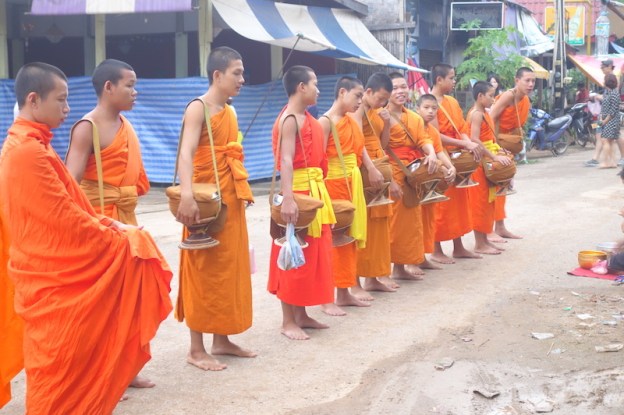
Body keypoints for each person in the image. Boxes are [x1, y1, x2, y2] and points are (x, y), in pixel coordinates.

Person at [0, 62, 172, 413]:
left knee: (68, 360)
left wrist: (112, 227)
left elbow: (70, 206)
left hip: (49, 270)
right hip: (51, 279)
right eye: (61, 101)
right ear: (34, 100)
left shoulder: (32, 144)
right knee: (59, 364)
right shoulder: (27, 151)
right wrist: (119, 238)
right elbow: (64, 220)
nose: (67, 108)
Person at [175, 47, 256, 370]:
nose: (242, 79)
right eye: (236, 72)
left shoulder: (230, 111)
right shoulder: (199, 108)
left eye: (242, 72)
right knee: (202, 269)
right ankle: (196, 349)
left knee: (229, 268)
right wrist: (186, 195)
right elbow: (186, 153)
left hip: (229, 200)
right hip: (203, 202)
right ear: (217, 75)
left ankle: (221, 339)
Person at [267, 65, 336, 339]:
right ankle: (287, 321)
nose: (318, 89)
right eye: (315, 83)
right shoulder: (290, 120)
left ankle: (302, 314)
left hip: (313, 190)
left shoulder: (307, 118)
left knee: (310, 255)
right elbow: (286, 160)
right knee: (291, 254)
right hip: (297, 192)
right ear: (301, 87)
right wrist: (288, 200)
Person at [319, 76, 384, 315]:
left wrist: (371, 167)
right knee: (332, 240)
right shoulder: (325, 122)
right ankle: (327, 298)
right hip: (333, 183)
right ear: (342, 92)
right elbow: (318, 160)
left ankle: (344, 293)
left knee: (349, 240)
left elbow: (359, 148)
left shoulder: (350, 121)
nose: (360, 101)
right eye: (357, 96)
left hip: (352, 181)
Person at [385, 72, 437, 280]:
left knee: (411, 223)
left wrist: (431, 153)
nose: (401, 91)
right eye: (395, 88)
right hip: (393, 171)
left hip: (412, 174)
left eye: (403, 87)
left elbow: (423, 139)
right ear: (387, 92)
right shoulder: (381, 116)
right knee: (393, 223)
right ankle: (382, 272)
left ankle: (400, 267)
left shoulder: (414, 117)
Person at [429, 63, 483, 264]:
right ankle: (436, 249)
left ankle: (458, 246)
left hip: (457, 157)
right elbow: (436, 137)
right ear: (439, 80)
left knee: (458, 206)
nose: (454, 81)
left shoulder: (451, 101)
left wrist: (467, 142)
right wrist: (463, 142)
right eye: (451, 78)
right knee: (441, 206)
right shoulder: (429, 103)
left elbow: (460, 126)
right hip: (442, 157)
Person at [353, 72, 401, 293]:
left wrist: (387, 124)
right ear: (368, 92)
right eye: (381, 98)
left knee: (379, 228)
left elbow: (381, 143)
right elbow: (356, 141)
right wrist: (371, 168)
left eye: (385, 100)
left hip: (379, 166)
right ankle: (354, 283)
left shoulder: (375, 112)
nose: (383, 103)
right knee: (361, 226)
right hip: (365, 170)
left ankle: (373, 277)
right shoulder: (357, 109)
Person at [489, 67, 535, 242]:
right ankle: (488, 230)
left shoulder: (524, 99)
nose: (530, 84)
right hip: (496, 144)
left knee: (503, 185)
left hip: (508, 145)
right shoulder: (509, 96)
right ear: (517, 80)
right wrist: (495, 147)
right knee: (493, 186)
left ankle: (499, 227)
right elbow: (491, 118)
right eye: (527, 80)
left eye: (533, 81)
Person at [467, 81, 513, 254]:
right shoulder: (476, 114)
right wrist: (494, 156)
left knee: (488, 202)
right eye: (491, 96)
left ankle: (485, 240)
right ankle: (479, 244)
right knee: (480, 204)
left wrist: (499, 149)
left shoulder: (483, 113)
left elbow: (488, 138)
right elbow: (474, 139)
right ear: (480, 96)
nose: (494, 100)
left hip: (488, 158)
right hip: (480, 162)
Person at [414, 93, 457, 267]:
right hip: (416, 178)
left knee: (428, 219)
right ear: (417, 109)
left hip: (431, 180)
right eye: (426, 108)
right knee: (414, 221)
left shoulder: (432, 131)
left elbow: (439, 151)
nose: (430, 111)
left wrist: (450, 167)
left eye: (434, 108)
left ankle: (423, 257)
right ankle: (412, 260)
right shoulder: (413, 125)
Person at [585, 59, 616, 167]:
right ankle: (598, 158)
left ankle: (608, 161)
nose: (602, 69)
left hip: (605, 118)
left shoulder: (612, 85)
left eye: (603, 67)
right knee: (600, 136)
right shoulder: (611, 83)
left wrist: (597, 96)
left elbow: (610, 102)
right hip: (602, 117)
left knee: (605, 139)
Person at [596, 73, 622, 168]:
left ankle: (607, 162)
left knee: (605, 140)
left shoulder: (614, 94)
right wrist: (601, 118)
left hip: (612, 121)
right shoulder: (608, 93)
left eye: (604, 80)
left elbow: (612, 111)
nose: (603, 81)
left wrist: (604, 121)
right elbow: (605, 108)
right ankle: (612, 162)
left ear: (607, 82)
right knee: (609, 141)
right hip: (607, 120)